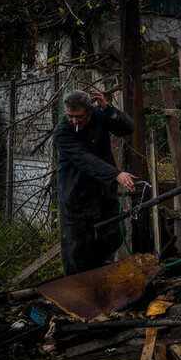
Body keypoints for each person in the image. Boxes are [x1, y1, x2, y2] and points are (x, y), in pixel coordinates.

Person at [53, 88, 137, 275]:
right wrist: (116, 174)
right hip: (76, 196)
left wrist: (107, 108)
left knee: (115, 235)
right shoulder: (62, 132)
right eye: (70, 116)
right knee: (76, 250)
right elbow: (85, 159)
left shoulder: (99, 115)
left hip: (102, 194)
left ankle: (89, 271)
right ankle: (77, 289)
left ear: (90, 110)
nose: (74, 121)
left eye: (78, 116)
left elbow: (127, 128)